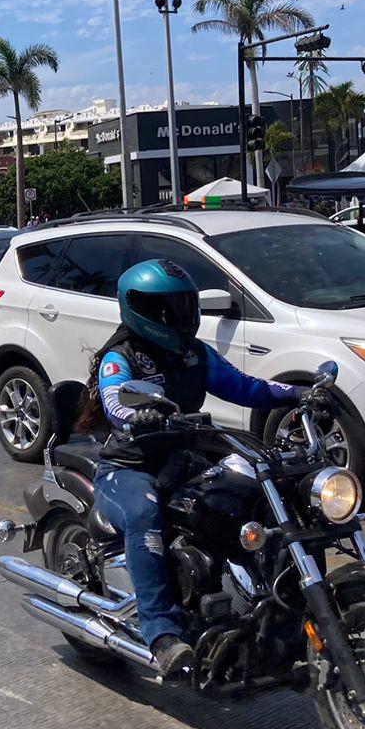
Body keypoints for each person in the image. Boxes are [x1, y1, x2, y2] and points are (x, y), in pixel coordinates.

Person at [78, 259, 303, 681]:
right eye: (166, 309)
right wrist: (135, 413)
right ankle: (161, 632)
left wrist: (297, 393)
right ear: (139, 308)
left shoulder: (194, 353)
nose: (177, 317)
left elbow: (246, 386)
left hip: (186, 457)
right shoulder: (121, 355)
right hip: (131, 464)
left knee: (256, 490)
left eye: (182, 306)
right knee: (146, 517)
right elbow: (112, 398)